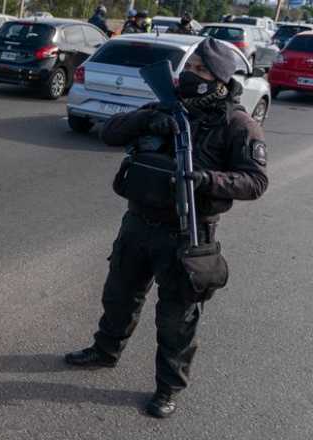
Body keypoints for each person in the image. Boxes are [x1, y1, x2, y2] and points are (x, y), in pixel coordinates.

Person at [64, 37, 269, 419]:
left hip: (187, 235)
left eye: (201, 71)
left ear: (220, 81)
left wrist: (206, 179)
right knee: (119, 296)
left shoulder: (237, 124)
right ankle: (105, 351)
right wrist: (145, 118)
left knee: (177, 319)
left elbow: (255, 182)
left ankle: (167, 388)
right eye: (190, 69)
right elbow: (109, 133)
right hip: (138, 223)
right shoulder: (168, 106)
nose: (191, 76)